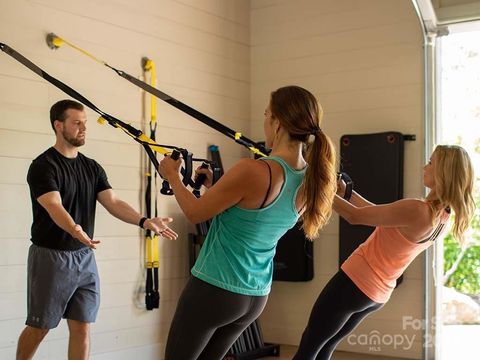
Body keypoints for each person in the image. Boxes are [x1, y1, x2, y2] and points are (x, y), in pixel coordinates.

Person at [158, 85, 337, 359]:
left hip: (216, 286)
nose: (264, 121)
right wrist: (215, 187)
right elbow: (252, 212)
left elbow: (195, 214)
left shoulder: (256, 170)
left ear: (277, 122)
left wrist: (173, 176)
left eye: (266, 114)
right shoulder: (311, 179)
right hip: (254, 297)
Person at [16, 99, 178, 360]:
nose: (83, 128)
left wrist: (145, 221)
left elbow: (112, 202)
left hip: (84, 258)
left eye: (85, 123)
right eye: (76, 123)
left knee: (82, 326)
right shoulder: (43, 166)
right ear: (59, 126)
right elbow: (53, 205)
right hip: (52, 256)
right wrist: (75, 229)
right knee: (40, 326)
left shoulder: (92, 167)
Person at [293, 145, 476, 360]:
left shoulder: (418, 209)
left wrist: (317, 187)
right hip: (375, 295)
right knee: (324, 346)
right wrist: (345, 193)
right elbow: (376, 216)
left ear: (443, 172)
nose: (424, 167)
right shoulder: (441, 217)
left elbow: (355, 217)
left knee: (309, 345)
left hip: (355, 282)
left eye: (430, 162)